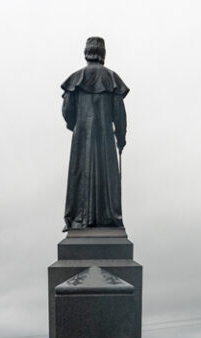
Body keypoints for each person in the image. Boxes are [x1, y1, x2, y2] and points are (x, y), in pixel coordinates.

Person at [61, 37, 128, 230]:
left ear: (86, 53)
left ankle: (78, 218)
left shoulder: (76, 79)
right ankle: (108, 217)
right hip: (105, 137)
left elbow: (67, 110)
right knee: (107, 176)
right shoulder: (112, 79)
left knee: (80, 174)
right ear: (103, 53)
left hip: (81, 137)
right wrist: (120, 138)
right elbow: (120, 115)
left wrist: (76, 125)